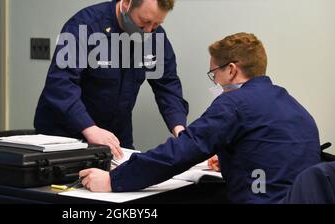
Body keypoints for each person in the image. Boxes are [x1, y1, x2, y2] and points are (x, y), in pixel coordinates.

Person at [79, 32, 321, 203]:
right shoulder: (295, 107)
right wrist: (229, 157)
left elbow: (179, 153)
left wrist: (113, 180)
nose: (215, 81)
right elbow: (270, 156)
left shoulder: (234, 103)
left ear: (231, 70)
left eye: (214, 73)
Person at [34, 0, 189, 159]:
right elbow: (60, 83)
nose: (148, 31)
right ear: (127, 2)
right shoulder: (85, 26)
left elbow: (167, 84)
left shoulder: (154, 37)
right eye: (144, 22)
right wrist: (89, 128)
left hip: (115, 136)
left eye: (156, 24)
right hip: (66, 134)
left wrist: (180, 130)